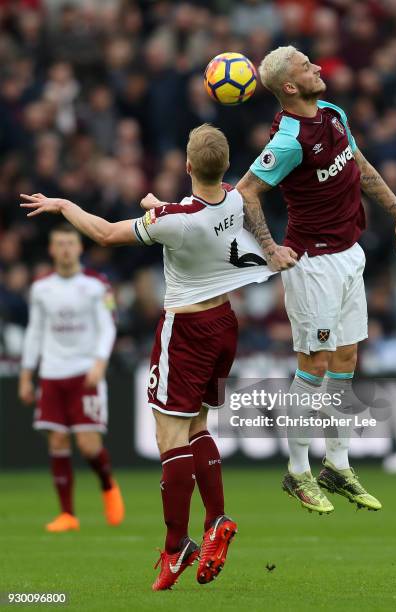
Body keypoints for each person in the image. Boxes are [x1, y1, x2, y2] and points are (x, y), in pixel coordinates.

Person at [20, 124, 293, 590]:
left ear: (187, 166)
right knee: (199, 427)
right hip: (225, 323)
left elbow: (106, 234)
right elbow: (191, 215)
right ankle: (217, 519)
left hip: (185, 330)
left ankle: (175, 547)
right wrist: (156, 207)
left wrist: (64, 205)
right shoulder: (231, 197)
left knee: (170, 437)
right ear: (225, 167)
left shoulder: (175, 219)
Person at [237, 46, 396, 514]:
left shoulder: (332, 113)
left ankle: (336, 465)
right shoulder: (289, 139)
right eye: (305, 65)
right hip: (312, 264)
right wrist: (271, 247)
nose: (318, 66)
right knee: (313, 366)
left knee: (345, 357)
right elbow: (247, 192)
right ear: (290, 87)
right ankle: (297, 471)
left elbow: (358, 165)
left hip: (349, 254)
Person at [18, 224, 124, 532]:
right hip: (51, 373)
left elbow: (107, 326)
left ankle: (107, 484)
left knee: (89, 445)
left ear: (79, 248)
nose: (65, 249)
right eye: (59, 244)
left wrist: (99, 363)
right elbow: (34, 333)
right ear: (52, 250)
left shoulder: (96, 285)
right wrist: (27, 376)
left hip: (84, 372)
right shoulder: (41, 288)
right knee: (58, 439)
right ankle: (68, 514)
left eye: (70, 243)